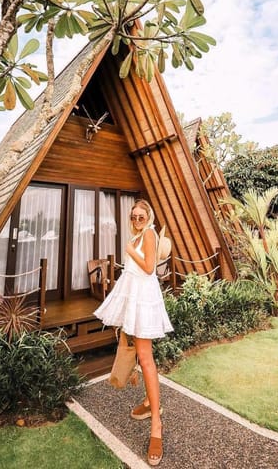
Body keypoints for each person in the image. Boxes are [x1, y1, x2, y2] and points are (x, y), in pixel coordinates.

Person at [94, 199, 173, 466]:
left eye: (141, 216)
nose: (137, 219)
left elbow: (149, 268)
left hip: (144, 301)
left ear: (148, 217)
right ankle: (151, 403)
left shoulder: (148, 234)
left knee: (146, 357)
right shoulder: (139, 236)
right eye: (134, 216)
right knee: (140, 355)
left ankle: (156, 426)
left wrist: (129, 249)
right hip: (134, 301)